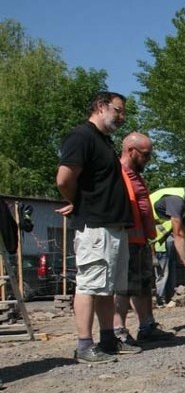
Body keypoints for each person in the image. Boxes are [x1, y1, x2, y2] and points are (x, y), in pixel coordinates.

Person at [55, 91, 141, 363]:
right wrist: (79, 203)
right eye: (118, 110)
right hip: (95, 226)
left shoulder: (104, 141)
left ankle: (108, 339)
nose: (122, 116)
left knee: (108, 287)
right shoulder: (81, 137)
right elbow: (64, 179)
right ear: (101, 107)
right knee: (90, 284)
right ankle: (84, 345)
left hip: (114, 226)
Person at [112, 132, 174, 344]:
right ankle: (118, 331)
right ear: (131, 151)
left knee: (143, 286)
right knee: (122, 288)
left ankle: (147, 326)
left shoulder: (136, 175)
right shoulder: (116, 173)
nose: (148, 159)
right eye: (146, 155)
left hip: (140, 242)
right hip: (124, 241)